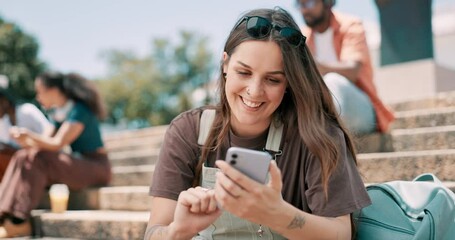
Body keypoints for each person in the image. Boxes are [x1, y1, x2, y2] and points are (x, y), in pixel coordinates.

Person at [144, 7, 371, 240]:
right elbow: (154, 232)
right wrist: (178, 231)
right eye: (243, 72)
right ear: (225, 65)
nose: (254, 91)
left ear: (289, 83)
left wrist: (277, 214)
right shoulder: (188, 130)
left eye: (273, 79)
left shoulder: (317, 136)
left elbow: (340, 233)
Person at [0, 72, 112, 238]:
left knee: (38, 158)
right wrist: (24, 140)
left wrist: (29, 136)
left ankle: (19, 221)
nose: (37, 97)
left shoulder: (79, 110)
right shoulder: (59, 114)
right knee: (23, 155)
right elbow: (44, 141)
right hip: (79, 164)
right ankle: (3, 216)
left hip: (97, 167)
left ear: (53, 90)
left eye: (40, 91)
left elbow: (57, 143)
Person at [297, 0, 395, 135]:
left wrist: (317, 67)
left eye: (309, 4)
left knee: (332, 80)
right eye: (300, 5)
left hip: (361, 108)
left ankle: (327, 139)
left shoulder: (350, 25)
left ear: (327, 3)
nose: (304, 10)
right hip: (322, 108)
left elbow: (352, 70)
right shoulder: (303, 37)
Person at [0, 87, 53, 182]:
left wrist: (28, 138)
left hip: (39, 157)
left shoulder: (27, 111)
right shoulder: (4, 121)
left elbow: (49, 133)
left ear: (4, 101)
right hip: (19, 160)